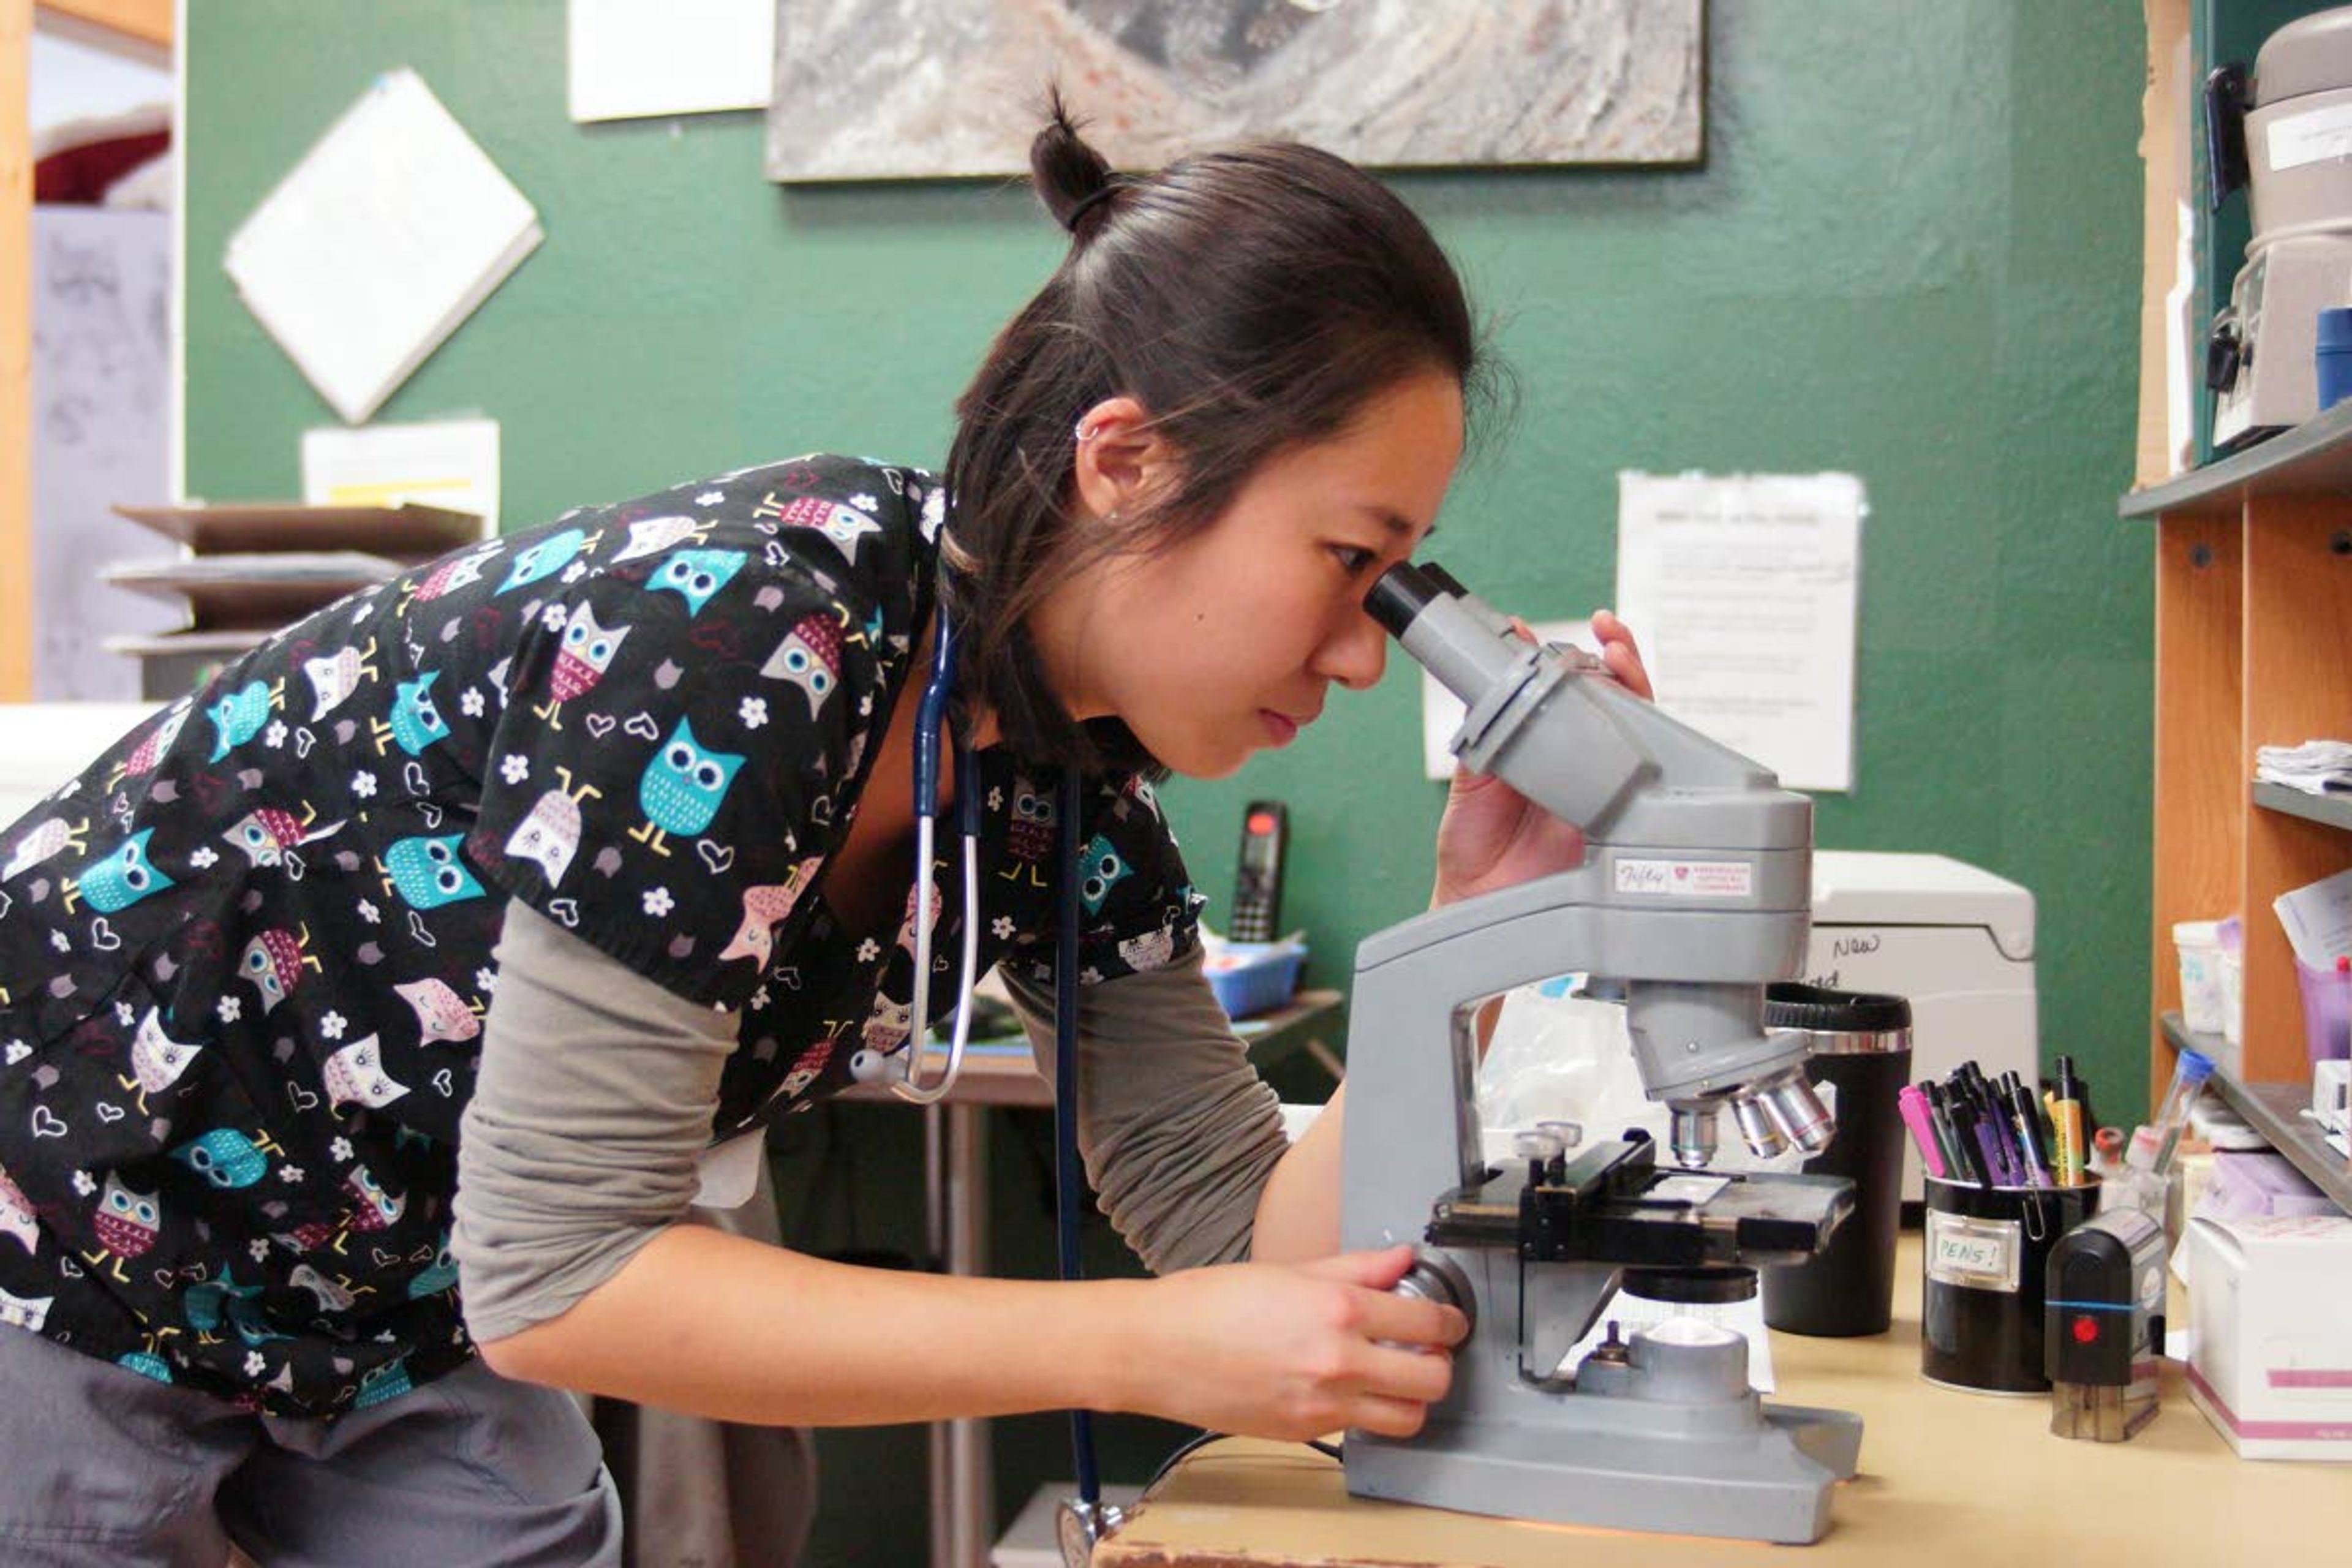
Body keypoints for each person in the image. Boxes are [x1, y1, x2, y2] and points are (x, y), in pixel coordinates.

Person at [0, 99, 1651, 1566]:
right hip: (67, 1250)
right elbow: (572, 1275)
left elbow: (1246, 1232)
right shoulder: (749, 633)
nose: (1369, 653)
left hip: (387, 1315)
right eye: (1351, 561)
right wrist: (1137, 1349)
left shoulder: (1064, 784)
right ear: (1129, 463)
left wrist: (1474, 933)